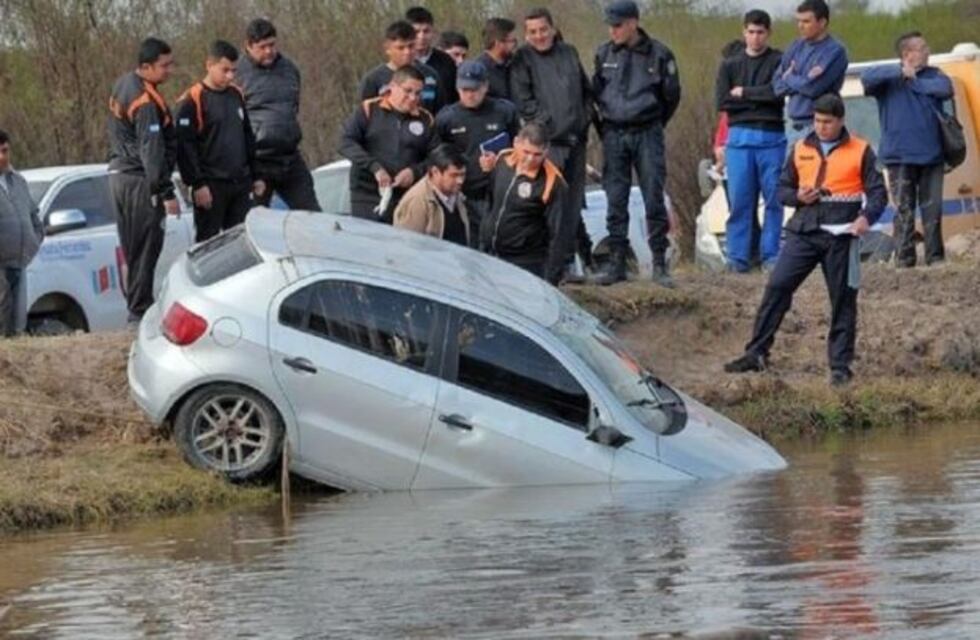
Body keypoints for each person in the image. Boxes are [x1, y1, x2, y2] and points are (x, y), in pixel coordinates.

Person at [724, 94, 887, 386]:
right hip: (804, 231)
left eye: (827, 122)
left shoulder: (861, 150)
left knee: (843, 301)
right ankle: (756, 353)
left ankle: (840, 366)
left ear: (840, 121)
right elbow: (782, 188)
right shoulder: (799, 148)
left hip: (843, 235)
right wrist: (797, 196)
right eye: (817, 121)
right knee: (777, 286)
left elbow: (878, 193)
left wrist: (865, 219)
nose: (821, 127)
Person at [591, 0, 681, 288]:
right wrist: (604, 128)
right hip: (614, 133)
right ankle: (617, 261)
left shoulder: (659, 54)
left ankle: (659, 263)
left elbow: (671, 96)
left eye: (618, 25)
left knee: (653, 195)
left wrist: (652, 122)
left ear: (633, 23)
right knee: (615, 197)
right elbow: (596, 93)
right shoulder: (603, 54)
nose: (612, 30)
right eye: (609, 25)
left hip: (647, 131)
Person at [510, 7, 596, 282]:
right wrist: (549, 126)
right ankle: (546, 270)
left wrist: (584, 121)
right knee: (548, 207)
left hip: (576, 141)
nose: (539, 36)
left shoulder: (568, 52)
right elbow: (524, 101)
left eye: (543, 30)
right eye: (532, 32)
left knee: (571, 206)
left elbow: (585, 91)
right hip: (548, 145)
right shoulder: (522, 59)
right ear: (526, 34)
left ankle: (568, 263)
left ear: (552, 28)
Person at [861, 31, 954, 267]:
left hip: (932, 156)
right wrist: (899, 71)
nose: (927, 51)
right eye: (922, 48)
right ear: (907, 54)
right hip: (899, 157)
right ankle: (904, 259)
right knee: (904, 210)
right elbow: (866, 77)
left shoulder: (935, 75)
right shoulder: (888, 80)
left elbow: (945, 89)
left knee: (933, 211)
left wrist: (916, 80)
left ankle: (935, 258)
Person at [107, 37, 178, 321]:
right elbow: (151, 149)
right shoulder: (145, 101)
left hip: (118, 175)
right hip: (139, 180)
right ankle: (138, 314)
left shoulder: (122, 84)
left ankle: (136, 310)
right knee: (147, 247)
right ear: (146, 67)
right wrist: (166, 191)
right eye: (164, 66)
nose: (169, 71)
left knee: (133, 248)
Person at [716, 10, 786, 273]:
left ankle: (770, 256)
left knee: (774, 201)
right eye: (751, 32)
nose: (755, 37)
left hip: (772, 139)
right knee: (740, 202)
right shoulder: (730, 65)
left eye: (760, 32)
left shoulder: (779, 60)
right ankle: (737, 259)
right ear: (744, 32)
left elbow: (778, 93)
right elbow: (722, 101)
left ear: (768, 33)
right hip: (739, 141)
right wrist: (760, 99)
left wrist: (744, 93)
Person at [176, 40, 264, 243]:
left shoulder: (236, 94)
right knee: (210, 244)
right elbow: (185, 147)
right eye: (225, 70)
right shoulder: (193, 99)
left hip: (240, 183)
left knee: (242, 242)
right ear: (209, 65)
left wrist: (256, 174)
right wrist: (197, 184)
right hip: (212, 186)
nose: (230, 76)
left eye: (234, 70)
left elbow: (247, 136)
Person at [237, 18, 320, 211]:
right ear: (249, 46)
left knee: (312, 215)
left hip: (289, 157)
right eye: (262, 47)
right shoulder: (237, 74)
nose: (269, 51)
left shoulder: (289, 69)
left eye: (272, 45)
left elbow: (294, 107)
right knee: (254, 220)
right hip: (258, 163)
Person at [435, 60, 520, 244]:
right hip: (465, 194)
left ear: (485, 87)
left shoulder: (505, 111)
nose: (470, 95)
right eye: (465, 90)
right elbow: (439, 157)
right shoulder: (446, 118)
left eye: (474, 89)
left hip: (500, 190)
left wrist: (501, 159)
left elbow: (518, 146)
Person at [340, 65, 437, 222]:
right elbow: (346, 142)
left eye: (418, 93)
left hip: (407, 196)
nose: (413, 98)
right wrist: (374, 168)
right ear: (392, 87)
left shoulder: (425, 119)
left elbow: (436, 157)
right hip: (367, 193)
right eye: (408, 91)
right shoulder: (369, 109)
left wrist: (414, 172)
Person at [480, 122, 573, 285]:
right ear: (516, 143)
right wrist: (484, 236)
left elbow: (559, 236)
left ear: (546, 151)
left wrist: (550, 278)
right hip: (491, 254)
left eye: (537, 154)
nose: (530, 159)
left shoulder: (553, 183)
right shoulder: (502, 160)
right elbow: (491, 201)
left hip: (525, 262)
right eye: (526, 152)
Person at [773, 0, 848, 147]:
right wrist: (803, 80)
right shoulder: (795, 46)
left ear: (822, 22)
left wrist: (789, 77)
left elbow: (813, 88)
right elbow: (777, 87)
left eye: (806, 21)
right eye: (798, 21)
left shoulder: (834, 51)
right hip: (793, 127)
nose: (800, 26)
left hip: (820, 127)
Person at [0, 129, 43, 336]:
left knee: (18, 323)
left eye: (5, 150)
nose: (2, 157)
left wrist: (32, 243)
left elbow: (34, 218)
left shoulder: (18, 181)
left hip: (19, 262)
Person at [360, 20, 447, 116]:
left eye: (411, 46)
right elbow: (366, 116)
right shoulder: (373, 80)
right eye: (401, 48)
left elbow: (441, 114)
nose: (407, 52)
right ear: (387, 48)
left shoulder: (431, 75)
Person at [393, 144, 470, 246]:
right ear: (435, 172)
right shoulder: (417, 201)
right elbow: (407, 247)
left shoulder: (456, 195)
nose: (460, 181)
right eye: (454, 175)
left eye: (462, 175)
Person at [406, 6, 458, 106]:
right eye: (416, 32)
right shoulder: (402, 61)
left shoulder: (446, 62)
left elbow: (454, 99)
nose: (421, 37)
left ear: (433, 32)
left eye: (426, 31)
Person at [477, 18, 518, 101]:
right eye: (513, 41)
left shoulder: (515, 63)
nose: (514, 45)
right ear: (498, 43)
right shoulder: (479, 70)